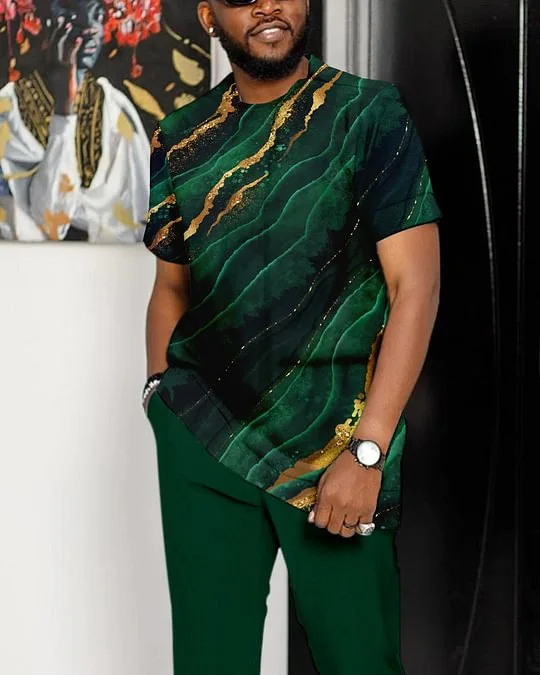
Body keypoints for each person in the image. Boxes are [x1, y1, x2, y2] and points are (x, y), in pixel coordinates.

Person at [142, 0, 441, 672]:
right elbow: (170, 287)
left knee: (359, 661)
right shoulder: (180, 136)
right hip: (206, 442)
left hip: (337, 448)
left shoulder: (368, 114)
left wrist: (368, 451)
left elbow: (415, 288)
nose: (267, 6)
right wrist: (161, 398)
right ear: (209, 16)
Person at [0, 0, 150, 242]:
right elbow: (51, 221)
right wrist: (64, 110)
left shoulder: (115, 109)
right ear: (41, 21)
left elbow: (140, 216)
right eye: (72, 12)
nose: (90, 28)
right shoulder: (8, 109)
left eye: (97, 15)